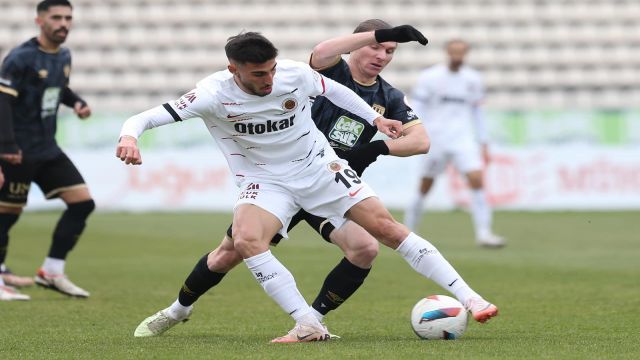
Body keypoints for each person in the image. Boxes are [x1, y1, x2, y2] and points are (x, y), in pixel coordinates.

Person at [119, 30, 497, 343]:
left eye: (270, 71)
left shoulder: (293, 74)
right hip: (264, 180)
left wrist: (375, 121)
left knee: (383, 231)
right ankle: (179, 310)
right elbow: (147, 117)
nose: (268, 80)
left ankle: (471, 298)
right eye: (258, 75)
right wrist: (129, 137)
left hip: (320, 168)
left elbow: (334, 91)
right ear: (233, 69)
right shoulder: (210, 95)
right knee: (237, 248)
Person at [0, 0, 94, 298]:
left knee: (82, 203)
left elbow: (58, 88)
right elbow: (2, 102)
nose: (63, 23)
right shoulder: (20, 58)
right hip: (18, 149)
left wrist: (75, 101)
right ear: (40, 21)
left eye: (68, 17)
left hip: (47, 148)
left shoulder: (63, 55)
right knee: (6, 215)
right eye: (56, 17)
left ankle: (51, 271)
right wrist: (6, 146)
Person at [404, 39, 505, 248]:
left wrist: (484, 142)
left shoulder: (473, 79)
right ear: (447, 52)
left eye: (461, 53)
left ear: (465, 54)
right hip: (435, 139)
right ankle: (408, 231)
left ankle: (484, 233)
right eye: (454, 52)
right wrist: (414, 133)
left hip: (462, 139)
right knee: (425, 186)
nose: (457, 56)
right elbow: (417, 108)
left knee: (477, 180)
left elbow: (477, 113)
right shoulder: (430, 77)